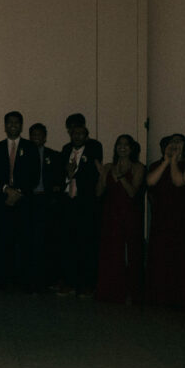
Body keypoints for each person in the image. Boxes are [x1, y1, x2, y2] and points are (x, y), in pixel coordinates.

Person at [145, 133, 185, 307]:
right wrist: (166, 161)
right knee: (160, 257)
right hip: (162, 219)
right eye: (171, 142)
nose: (175, 145)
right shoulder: (157, 165)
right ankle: (158, 297)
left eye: (179, 142)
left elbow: (179, 182)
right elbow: (151, 182)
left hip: (183, 218)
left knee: (181, 257)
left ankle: (179, 299)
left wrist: (174, 161)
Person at [0, 111, 38, 290]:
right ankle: (3, 280)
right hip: (3, 202)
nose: (13, 126)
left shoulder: (30, 148)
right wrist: (6, 190)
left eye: (16, 123)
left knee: (23, 240)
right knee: (3, 241)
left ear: (21, 126)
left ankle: (22, 281)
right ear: (5, 126)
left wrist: (18, 193)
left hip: (23, 202)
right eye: (9, 123)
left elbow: (34, 176)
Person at [95, 134, 146, 304]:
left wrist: (121, 177)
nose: (122, 147)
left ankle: (131, 292)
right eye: (119, 144)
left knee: (130, 252)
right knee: (112, 251)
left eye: (126, 145)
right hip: (111, 213)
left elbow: (133, 192)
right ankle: (111, 290)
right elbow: (98, 192)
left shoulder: (138, 167)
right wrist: (103, 175)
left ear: (132, 148)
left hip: (129, 213)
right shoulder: (109, 166)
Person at [57, 125, 101, 296]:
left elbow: (93, 176)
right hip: (68, 202)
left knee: (86, 244)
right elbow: (60, 173)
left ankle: (86, 284)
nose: (77, 136)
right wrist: (68, 175)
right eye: (75, 133)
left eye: (81, 134)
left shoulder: (93, 150)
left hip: (85, 204)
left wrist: (76, 174)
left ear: (86, 136)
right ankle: (69, 282)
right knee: (68, 244)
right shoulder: (66, 149)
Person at [26, 123, 63, 292]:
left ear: (45, 137)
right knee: (29, 241)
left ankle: (46, 279)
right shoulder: (23, 153)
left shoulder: (53, 155)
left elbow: (59, 179)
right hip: (28, 201)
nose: (36, 138)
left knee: (46, 241)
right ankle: (29, 279)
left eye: (40, 135)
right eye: (33, 135)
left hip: (46, 202)